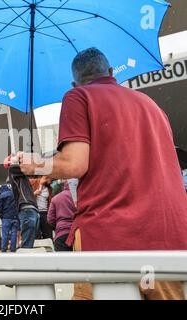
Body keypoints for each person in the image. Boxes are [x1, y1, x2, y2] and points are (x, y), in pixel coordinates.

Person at [17, 48, 187, 299]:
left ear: (74, 82)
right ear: (110, 73)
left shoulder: (78, 97)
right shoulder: (152, 106)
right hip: (169, 241)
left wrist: (34, 165)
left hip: (109, 238)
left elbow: (75, 165)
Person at [4, 155, 39, 248]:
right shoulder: (13, 171)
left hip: (30, 209)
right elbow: (30, 168)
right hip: (27, 209)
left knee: (29, 243)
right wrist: (20, 157)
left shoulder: (19, 175)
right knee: (27, 244)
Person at [47, 180, 76, 251]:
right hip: (77, 235)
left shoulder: (55, 198)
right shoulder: (80, 197)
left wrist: (58, 227)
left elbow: (50, 219)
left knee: (62, 261)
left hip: (61, 233)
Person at [0, 184, 19, 252]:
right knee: (14, 233)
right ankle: (13, 250)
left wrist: (1, 216)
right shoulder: (14, 194)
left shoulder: (2, 195)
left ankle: (4, 250)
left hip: (6, 217)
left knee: (5, 234)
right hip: (15, 217)